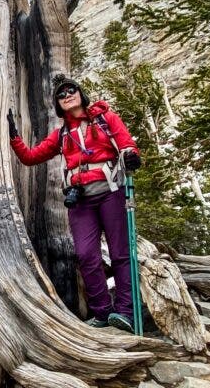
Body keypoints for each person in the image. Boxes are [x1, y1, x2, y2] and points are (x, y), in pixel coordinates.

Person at [7, 74, 142, 332]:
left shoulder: (105, 119)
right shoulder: (61, 135)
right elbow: (30, 157)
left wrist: (131, 155)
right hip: (80, 199)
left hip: (111, 191)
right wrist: (14, 137)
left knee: (121, 254)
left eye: (71, 90)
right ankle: (102, 312)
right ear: (58, 105)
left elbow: (126, 144)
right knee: (86, 255)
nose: (67, 95)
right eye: (61, 94)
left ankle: (126, 312)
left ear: (80, 94)